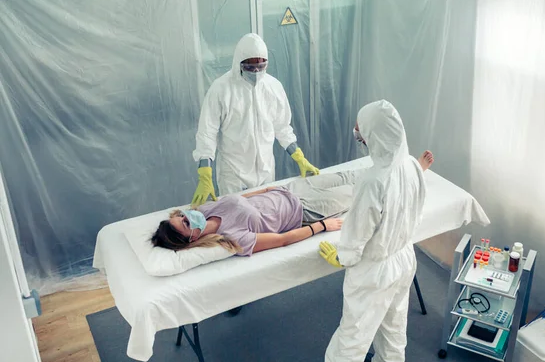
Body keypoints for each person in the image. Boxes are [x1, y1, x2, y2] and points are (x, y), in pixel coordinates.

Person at [319, 100, 434, 362]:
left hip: (374, 272)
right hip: (404, 260)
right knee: (393, 328)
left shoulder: (372, 181)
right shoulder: (411, 167)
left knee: (353, 337)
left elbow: (357, 232)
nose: (359, 137)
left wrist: (342, 256)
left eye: (361, 132)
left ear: (375, 135)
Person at [191, 33, 319, 207]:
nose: (257, 72)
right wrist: (205, 173)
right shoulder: (221, 89)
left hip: (266, 170)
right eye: (251, 67)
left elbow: (282, 127)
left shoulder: (273, 87)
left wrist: (299, 157)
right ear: (239, 64)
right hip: (233, 173)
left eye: (261, 66)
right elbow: (207, 132)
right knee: (236, 219)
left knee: (265, 214)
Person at [152, 170, 365, 254]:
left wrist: (266, 190)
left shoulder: (206, 210)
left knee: (347, 176)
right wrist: (321, 226)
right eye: (186, 224)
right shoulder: (232, 239)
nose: (188, 217)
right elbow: (282, 240)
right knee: (359, 191)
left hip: (290, 190)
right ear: (191, 239)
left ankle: (395, 167)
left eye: (182, 217)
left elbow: (238, 199)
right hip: (307, 209)